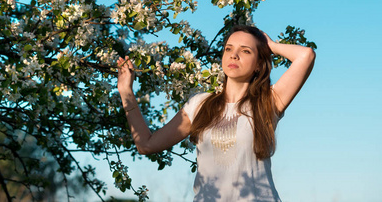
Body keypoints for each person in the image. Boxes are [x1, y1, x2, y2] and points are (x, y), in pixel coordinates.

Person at [117, 25, 315, 201]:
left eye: (245, 51)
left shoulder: (267, 103)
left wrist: (269, 44)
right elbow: (146, 144)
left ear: (258, 64)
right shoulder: (199, 105)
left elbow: (306, 56)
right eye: (229, 48)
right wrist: (126, 92)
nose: (234, 55)